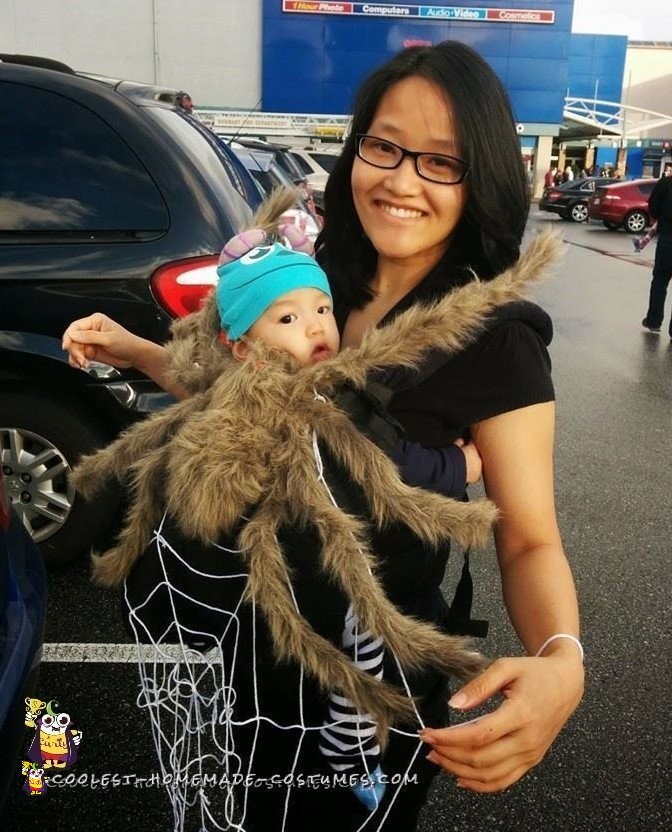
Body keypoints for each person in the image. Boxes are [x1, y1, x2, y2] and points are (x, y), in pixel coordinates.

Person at [63, 40, 583, 829]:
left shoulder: (494, 339)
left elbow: (528, 537)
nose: (402, 180)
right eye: (384, 146)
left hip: (370, 674)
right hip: (254, 633)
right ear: (355, 152)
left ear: (482, 175)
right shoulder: (314, 278)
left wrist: (562, 662)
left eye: (441, 161)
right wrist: (134, 352)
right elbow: (242, 395)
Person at [641, 162, 672, 335]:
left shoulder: (665, 183)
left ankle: (654, 321)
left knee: (660, 281)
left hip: (667, 240)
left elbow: (653, 208)